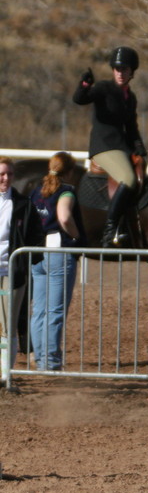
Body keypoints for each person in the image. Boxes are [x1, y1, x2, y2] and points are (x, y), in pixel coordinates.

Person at [72, 46, 146, 247]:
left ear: (132, 72)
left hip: (123, 148)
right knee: (129, 178)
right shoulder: (104, 88)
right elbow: (80, 100)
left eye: (125, 69)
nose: (120, 73)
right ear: (113, 70)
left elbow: (131, 127)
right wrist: (84, 85)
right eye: (117, 69)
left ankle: (128, 227)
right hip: (104, 147)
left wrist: (140, 147)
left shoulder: (131, 98)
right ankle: (109, 231)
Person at [28, 152, 86, 371]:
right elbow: (63, 217)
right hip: (58, 252)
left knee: (40, 311)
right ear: (70, 171)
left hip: (38, 253)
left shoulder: (37, 192)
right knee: (55, 311)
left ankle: (42, 360)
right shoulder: (66, 191)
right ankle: (51, 362)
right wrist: (75, 236)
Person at [0, 157, 45, 366]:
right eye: (2, 174)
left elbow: (37, 234)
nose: (6, 178)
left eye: (9, 174)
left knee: (9, 323)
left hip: (12, 271)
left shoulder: (24, 204)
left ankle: (6, 373)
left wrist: (27, 261)